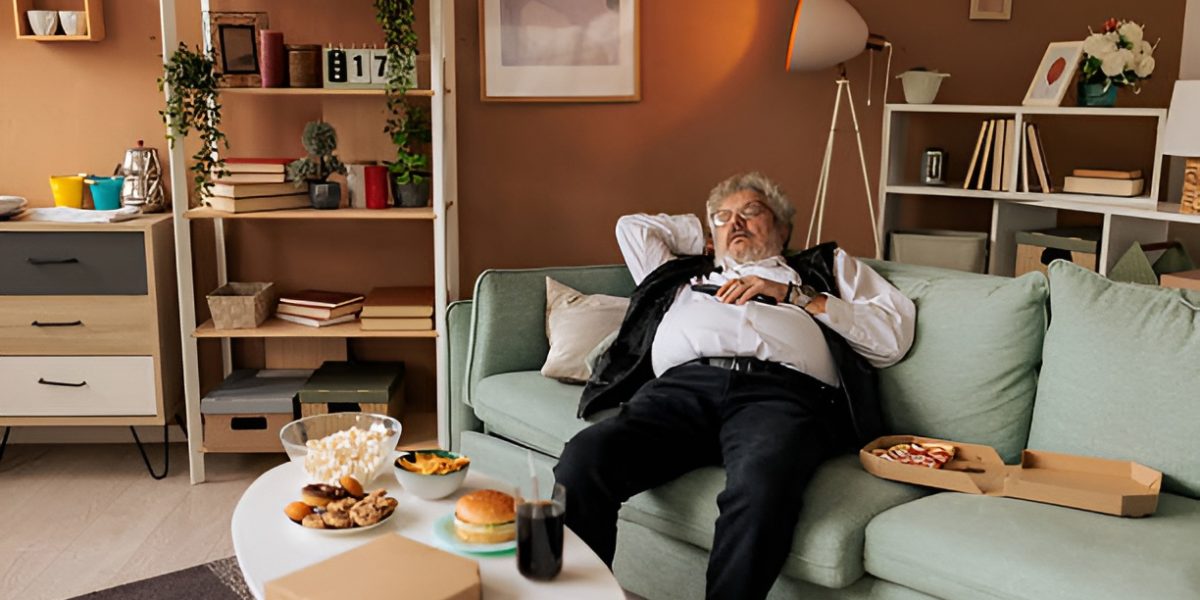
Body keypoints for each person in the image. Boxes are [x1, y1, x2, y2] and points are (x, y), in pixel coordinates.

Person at [553, 172, 916, 600]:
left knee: (762, 484)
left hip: (780, 395)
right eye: (723, 218)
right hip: (680, 392)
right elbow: (633, 227)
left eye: (751, 212)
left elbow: (891, 339)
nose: (736, 223)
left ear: (782, 228)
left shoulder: (823, 269)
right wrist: (706, 233)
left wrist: (795, 296)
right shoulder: (682, 277)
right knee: (585, 458)